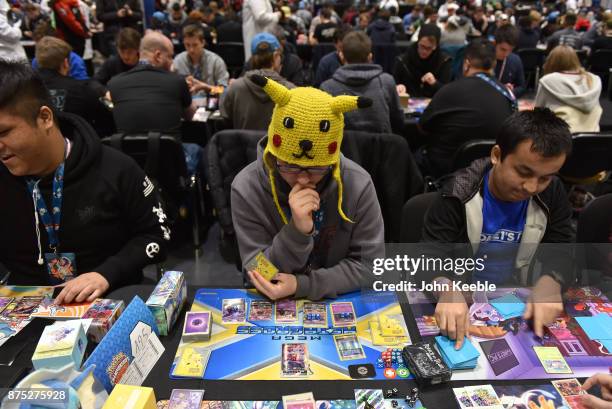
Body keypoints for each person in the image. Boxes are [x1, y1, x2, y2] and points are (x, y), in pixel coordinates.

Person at [0, 61, 168, 302]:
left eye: (3, 133)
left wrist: (107, 273)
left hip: (108, 296)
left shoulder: (116, 169)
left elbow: (156, 235)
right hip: (24, 306)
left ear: (45, 118)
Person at [420, 108, 573, 348]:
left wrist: (551, 281)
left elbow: (563, 249)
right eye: (523, 172)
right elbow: (428, 259)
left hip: (517, 304)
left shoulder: (553, 192)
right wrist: (445, 288)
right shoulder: (456, 194)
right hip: (465, 301)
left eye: (545, 178)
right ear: (496, 155)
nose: (532, 187)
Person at [231, 75, 383, 301]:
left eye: (316, 168)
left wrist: (302, 285)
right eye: (291, 166)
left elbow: (371, 268)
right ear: (274, 156)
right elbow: (255, 271)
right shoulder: (246, 186)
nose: (303, 179)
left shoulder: (358, 183)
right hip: (272, 303)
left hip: (339, 300)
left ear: (331, 161)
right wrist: (296, 232)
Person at [417, 39, 515, 178]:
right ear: (494, 64)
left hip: (445, 172)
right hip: (490, 172)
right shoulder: (508, 95)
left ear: (466, 63)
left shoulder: (449, 90)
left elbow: (422, 128)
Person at [108, 31, 195, 136]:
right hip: (169, 151)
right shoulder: (177, 81)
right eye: (170, 57)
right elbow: (190, 116)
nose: (173, 63)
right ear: (158, 55)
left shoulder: (114, 84)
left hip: (126, 151)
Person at [321, 31, 403, 135]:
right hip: (381, 150)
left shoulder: (327, 87)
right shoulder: (387, 81)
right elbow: (399, 121)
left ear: (342, 56)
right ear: (370, 57)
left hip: (344, 150)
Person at [34, 36, 113, 136]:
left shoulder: (23, 89)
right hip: (75, 146)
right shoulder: (81, 89)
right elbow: (106, 120)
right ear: (66, 63)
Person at [220, 32, 294, 130]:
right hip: (276, 145)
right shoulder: (291, 91)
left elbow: (225, 119)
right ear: (276, 56)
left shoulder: (235, 88)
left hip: (243, 145)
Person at [535, 45, 602, 133]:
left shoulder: (548, 81)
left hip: (560, 141)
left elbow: (537, 114)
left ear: (551, 61)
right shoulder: (594, 79)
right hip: (594, 139)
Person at [393, 24, 452, 98]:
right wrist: (399, 87)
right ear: (418, 41)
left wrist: (435, 83)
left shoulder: (444, 61)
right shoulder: (403, 60)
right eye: (422, 46)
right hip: (408, 104)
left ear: (435, 47)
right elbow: (393, 85)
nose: (424, 51)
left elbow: (448, 93)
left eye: (429, 48)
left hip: (434, 105)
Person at [173, 24, 229, 96]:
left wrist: (206, 87)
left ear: (203, 43)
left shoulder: (216, 61)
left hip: (210, 104)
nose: (191, 50)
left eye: (195, 45)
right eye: (187, 45)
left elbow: (224, 91)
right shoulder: (178, 61)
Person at [494, 24, 526, 98]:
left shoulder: (515, 60)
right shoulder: (483, 59)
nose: (506, 54)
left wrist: (510, 91)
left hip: (504, 100)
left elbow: (522, 87)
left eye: (510, 50)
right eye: (503, 49)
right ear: (494, 44)